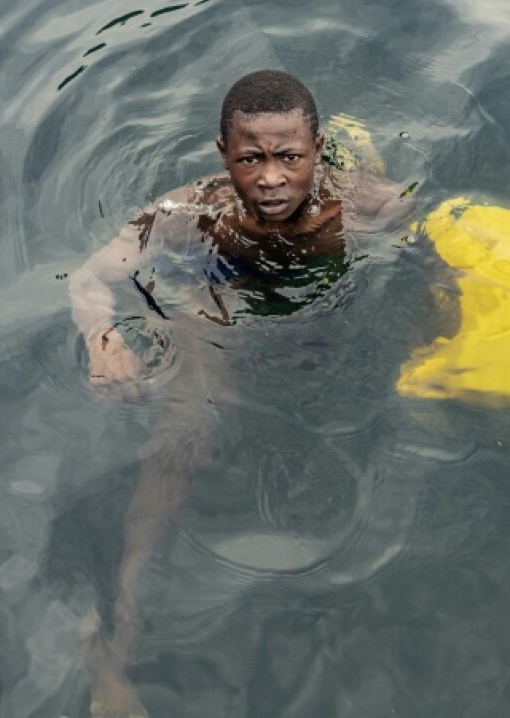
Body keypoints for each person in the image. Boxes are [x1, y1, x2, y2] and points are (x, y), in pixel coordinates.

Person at [69, 70, 412, 716]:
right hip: (218, 298)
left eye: (290, 156)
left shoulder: (371, 205)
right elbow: (89, 277)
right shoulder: (187, 213)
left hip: (322, 320)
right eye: (251, 157)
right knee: (183, 438)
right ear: (223, 154)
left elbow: (433, 267)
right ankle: (113, 640)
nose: (272, 177)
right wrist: (101, 340)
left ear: (315, 152)